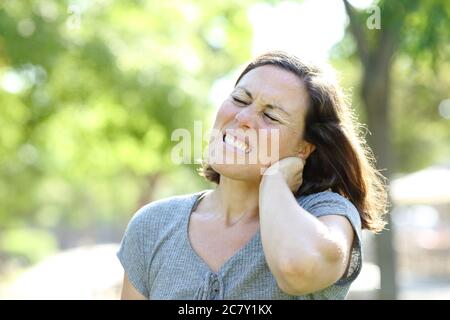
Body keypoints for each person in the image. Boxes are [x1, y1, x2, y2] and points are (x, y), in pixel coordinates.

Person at [117, 51, 388, 300]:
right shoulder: (152, 225)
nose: (243, 117)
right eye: (239, 99)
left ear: (304, 148)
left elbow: (297, 269)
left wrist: (274, 181)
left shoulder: (325, 215)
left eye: (271, 115)